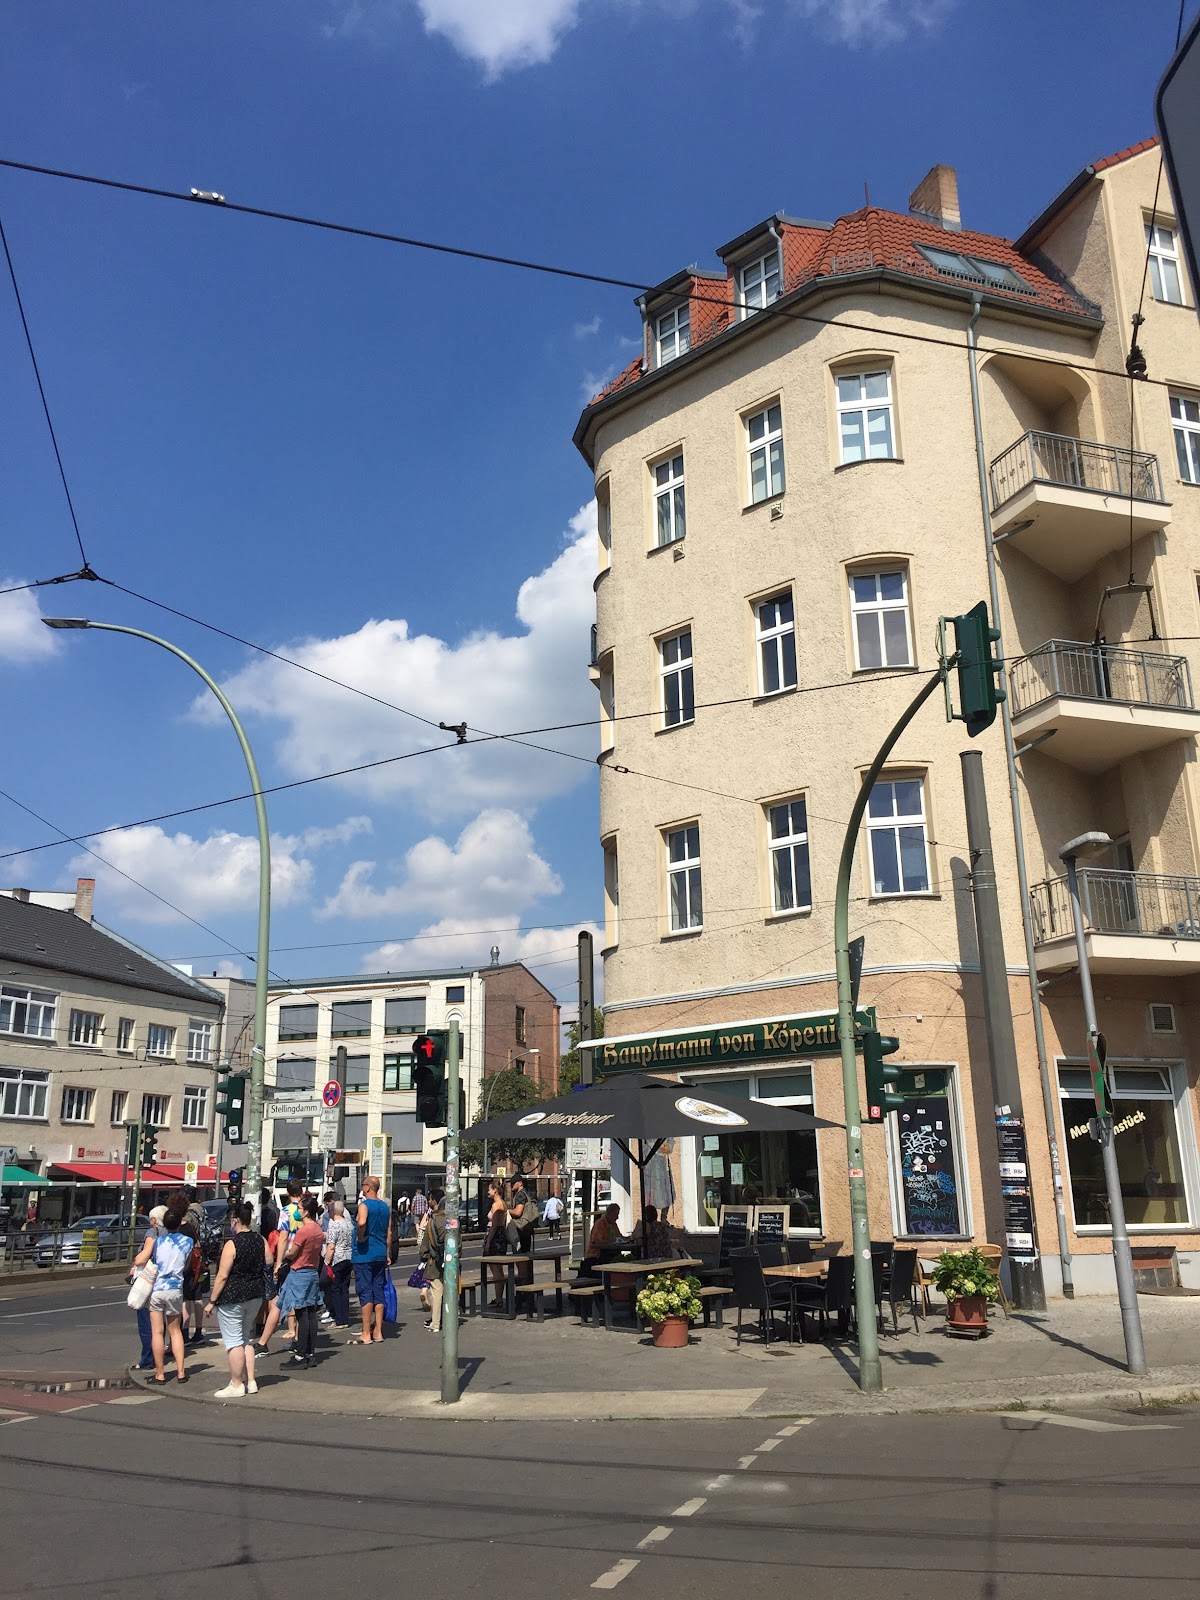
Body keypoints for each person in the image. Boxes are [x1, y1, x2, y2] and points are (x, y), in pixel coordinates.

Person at [204, 1201, 270, 1398]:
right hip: (255, 1293)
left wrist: (211, 1301)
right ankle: (251, 1381)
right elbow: (269, 1260)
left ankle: (236, 1383)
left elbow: (222, 1276)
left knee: (234, 1342)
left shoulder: (232, 1244)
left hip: (233, 1296)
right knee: (245, 1339)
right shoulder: (260, 1240)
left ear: (235, 1220)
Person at [131, 1203, 192, 1384]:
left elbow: (141, 1259)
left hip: (158, 1289)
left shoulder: (157, 1241)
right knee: (175, 1331)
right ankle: (181, 1372)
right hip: (176, 1289)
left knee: (157, 1332)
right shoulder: (187, 1242)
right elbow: (187, 1264)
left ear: (163, 1223)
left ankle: (160, 1374)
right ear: (179, 1223)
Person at [275, 1194, 326, 1370]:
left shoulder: (304, 1230)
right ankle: (310, 1354)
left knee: (301, 1315)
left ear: (306, 1212)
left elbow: (292, 1252)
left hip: (300, 1273)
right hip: (312, 1272)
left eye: (299, 1209)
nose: (297, 1211)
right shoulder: (317, 1229)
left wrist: (284, 1255)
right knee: (311, 1314)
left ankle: (300, 1356)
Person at [351, 1175, 393, 1344]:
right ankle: (378, 1331)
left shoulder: (364, 1205)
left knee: (365, 1291)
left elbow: (361, 1223)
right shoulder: (385, 1207)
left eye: (363, 1185)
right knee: (378, 1290)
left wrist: (360, 1237)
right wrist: (387, 1254)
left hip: (364, 1254)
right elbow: (389, 1233)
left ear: (368, 1187)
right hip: (380, 1253)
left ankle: (366, 1333)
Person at [128, 1204, 167, 1372]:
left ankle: (147, 1359)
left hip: (150, 1282)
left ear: (154, 1220)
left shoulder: (153, 1233)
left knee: (146, 1323)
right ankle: (158, 1355)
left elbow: (143, 1258)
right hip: (166, 1282)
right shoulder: (171, 1233)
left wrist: (136, 1262)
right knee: (160, 1323)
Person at [322, 1198, 353, 1329]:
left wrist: (327, 1262)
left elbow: (331, 1246)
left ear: (333, 1212)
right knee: (344, 1289)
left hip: (337, 1259)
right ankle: (345, 1318)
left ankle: (339, 1320)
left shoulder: (334, 1225)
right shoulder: (349, 1224)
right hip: (349, 1257)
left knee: (335, 1289)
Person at [421, 1189, 447, 1333]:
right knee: (448, 1290)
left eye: (430, 1199)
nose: (429, 1201)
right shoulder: (452, 1220)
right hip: (450, 1260)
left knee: (436, 1291)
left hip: (434, 1260)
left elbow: (425, 1245)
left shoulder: (433, 1220)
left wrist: (423, 1257)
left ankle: (435, 1323)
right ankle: (448, 1318)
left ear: (435, 1201)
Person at [482, 1180, 508, 1310]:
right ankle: (499, 1298)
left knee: (496, 1269)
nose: (488, 1191)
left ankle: (498, 1298)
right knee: (499, 1269)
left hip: (495, 1237)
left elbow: (494, 1225)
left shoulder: (496, 1205)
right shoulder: (503, 1203)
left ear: (495, 1190)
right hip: (501, 1236)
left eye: (490, 1189)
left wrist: (488, 1242)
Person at [581, 1203, 625, 1280]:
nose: (617, 1217)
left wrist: (627, 1239)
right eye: (616, 1215)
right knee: (609, 1261)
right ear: (610, 1213)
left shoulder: (613, 1224)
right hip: (596, 1256)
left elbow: (619, 1236)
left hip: (610, 1252)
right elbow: (597, 1241)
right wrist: (611, 1241)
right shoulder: (600, 1224)